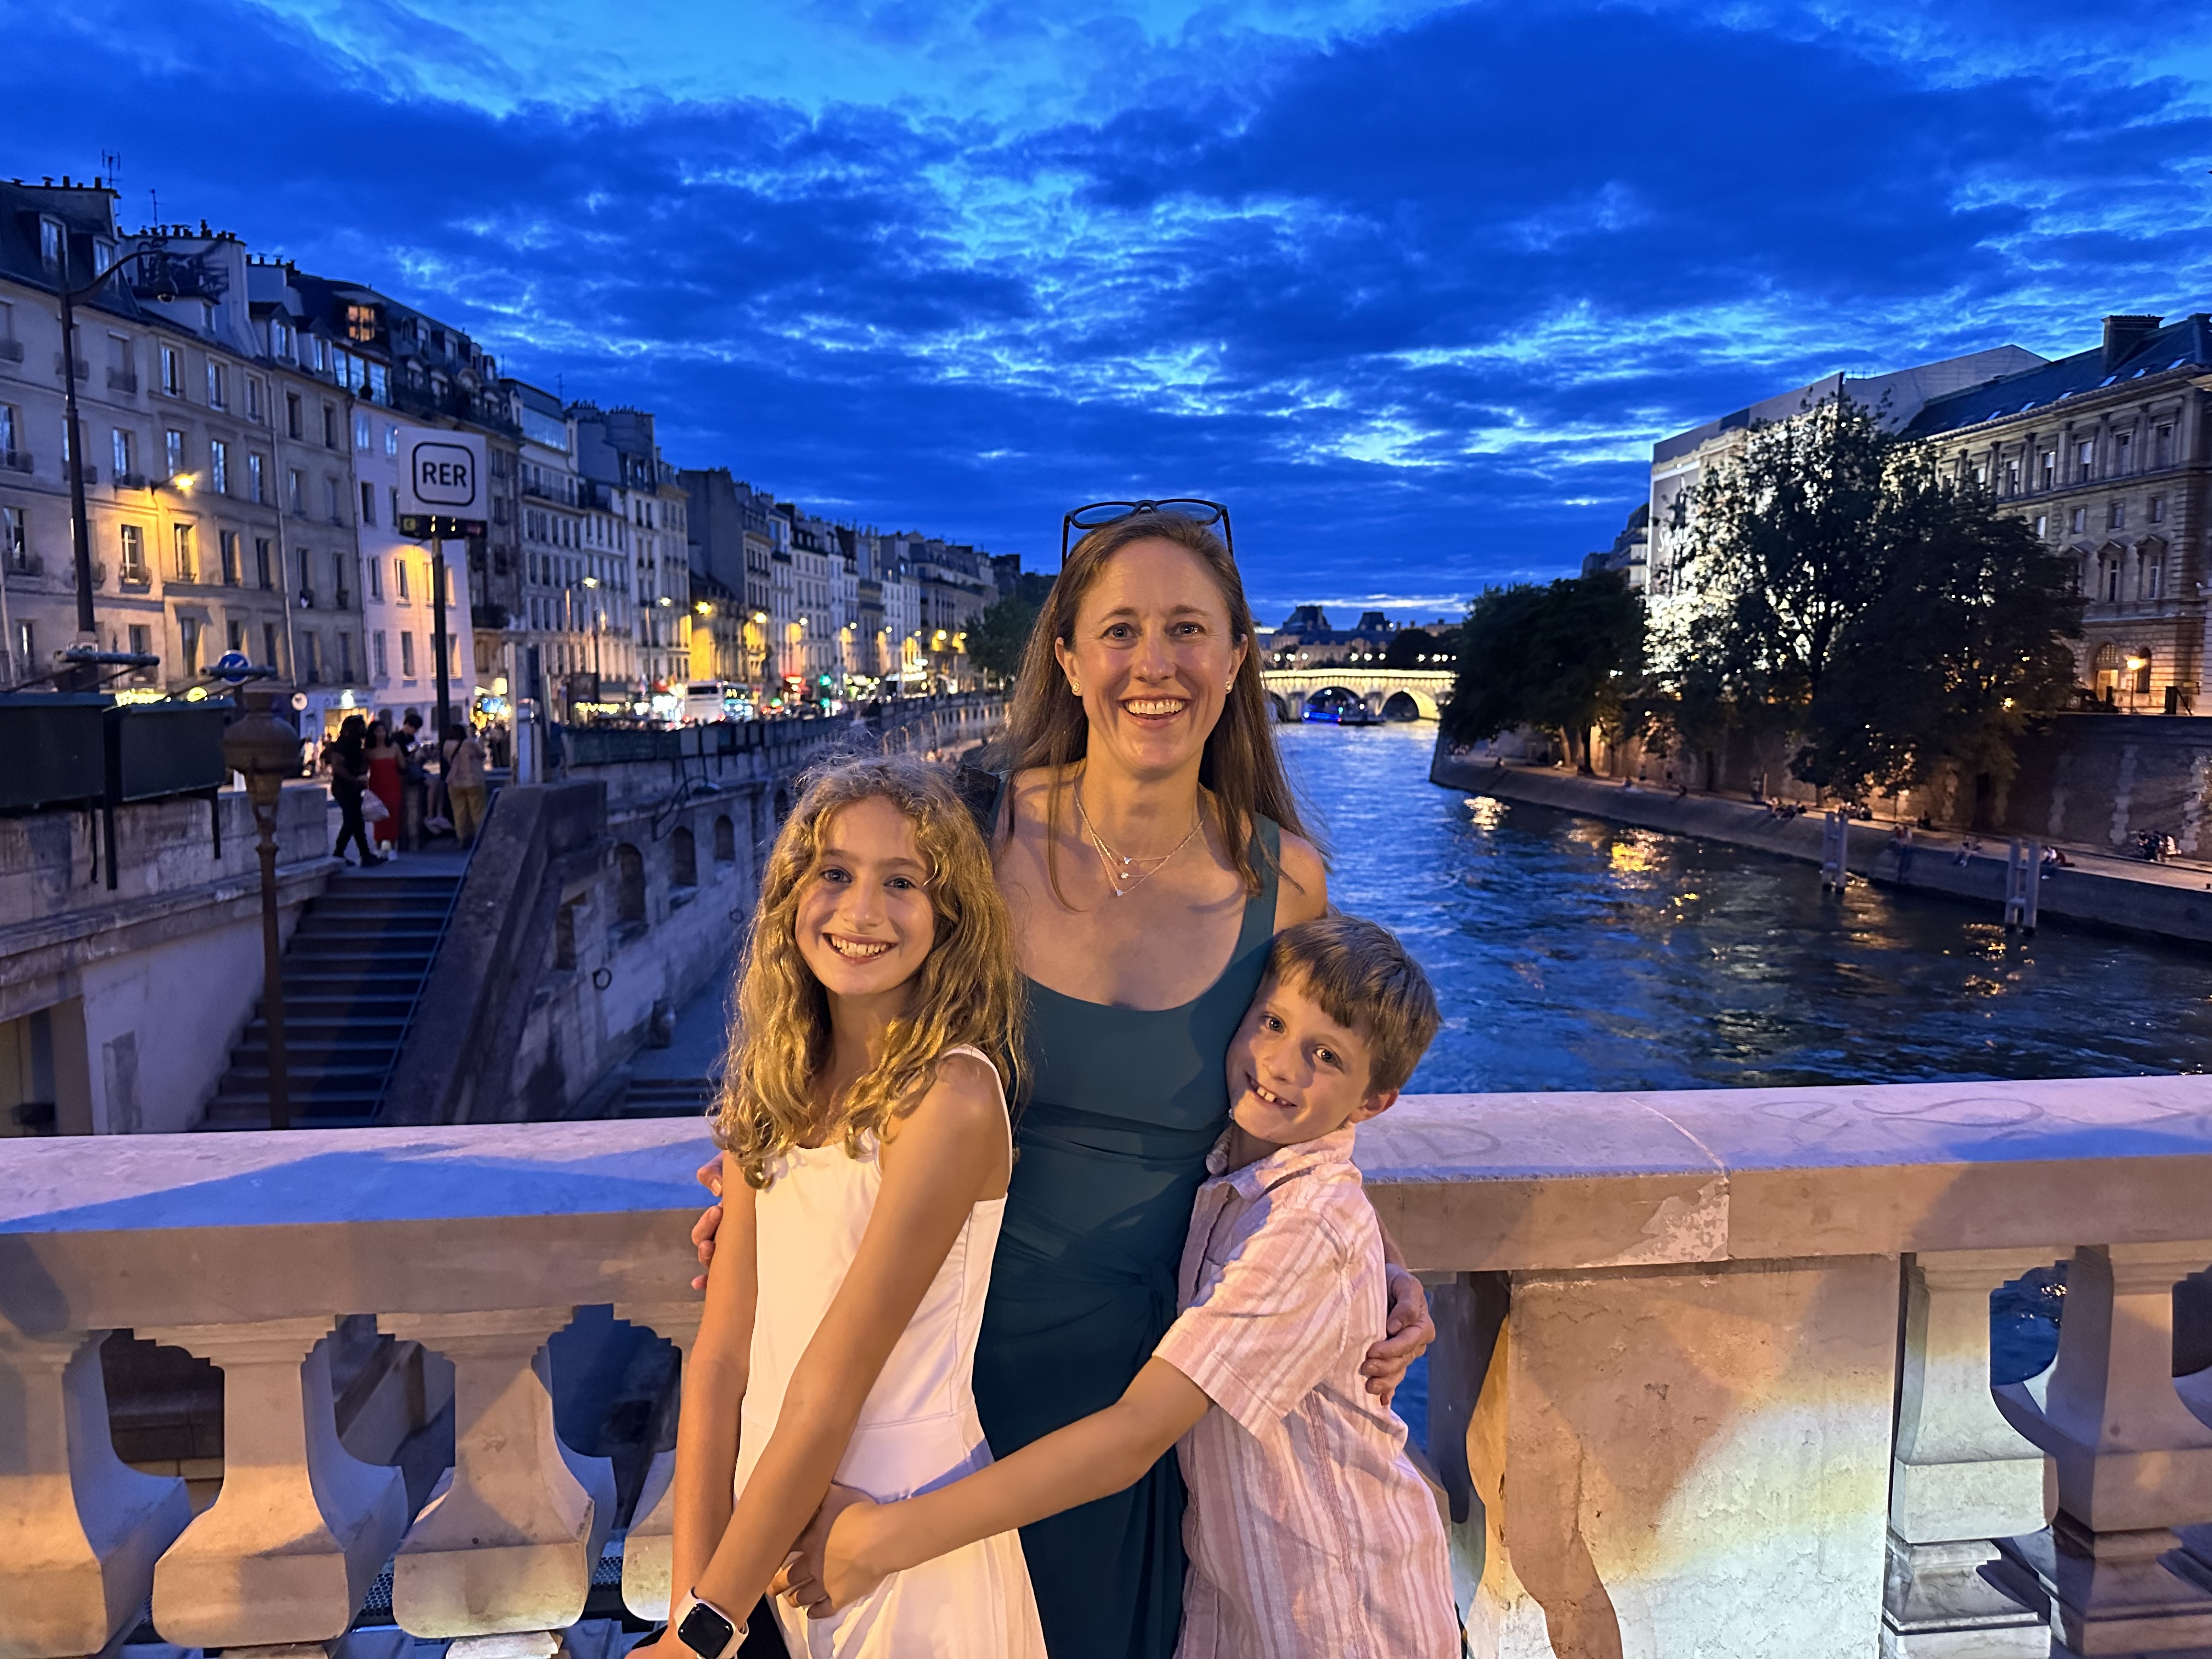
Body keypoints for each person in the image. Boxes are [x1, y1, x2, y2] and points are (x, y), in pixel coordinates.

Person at [691, 504, 1436, 1658]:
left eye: (1188, 629)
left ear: (1237, 659)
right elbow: (842, 1035)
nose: (1154, 663)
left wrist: (1369, 1264)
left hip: (1115, 1402)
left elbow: (1292, 1104)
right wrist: (777, 1190)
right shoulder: (974, 835)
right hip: (916, 1372)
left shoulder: (1284, 880)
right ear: (1070, 658)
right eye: (1121, 629)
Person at [782, 915, 1459, 1657]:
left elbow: (1137, 1434)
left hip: (1340, 1613)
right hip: (1248, 1605)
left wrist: (882, 1540)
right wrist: (787, 1183)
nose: (1279, 1064)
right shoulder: (1232, 1162)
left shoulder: (1305, 1230)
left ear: (1373, 1102)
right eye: (1272, 1023)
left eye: (1324, 1056)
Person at [640, 757, 1046, 1659]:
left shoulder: (949, 1097)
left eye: (902, 882)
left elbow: (832, 1385)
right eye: (834, 872)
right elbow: (721, 1359)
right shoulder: (772, 1085)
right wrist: (691, 1613)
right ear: (790, 894)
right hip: (765, 1556)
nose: (861, 911)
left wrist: (703, 1629)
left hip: (897, 1545)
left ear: (951, 917)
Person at [323, 716, 380, 868]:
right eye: (360, 727)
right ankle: (342, 853)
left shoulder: (355, 744)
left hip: (352, 787)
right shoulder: (342, 745)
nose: (363, 730)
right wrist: (354, 779)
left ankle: (360, 853)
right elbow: (338, 767)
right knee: (352, 821)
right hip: (344, 787)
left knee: (356, 821)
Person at [442, 722, 489, 849]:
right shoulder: (470, 743)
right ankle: (479, 837)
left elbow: (447, 758)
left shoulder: (447, 745)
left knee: (459, 812)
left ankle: (463, 838)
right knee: (477, 811)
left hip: (454, 782)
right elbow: (482, 755)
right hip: (473, 780)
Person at [364, 719, 403, 853]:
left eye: (383, 731)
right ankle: (379, 845)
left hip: (393, 785)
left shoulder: (394, 747)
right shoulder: (368, 751)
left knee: (393, 815)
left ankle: (393, 846)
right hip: (377, 786)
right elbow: (363, 769)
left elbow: (402, 765)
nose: (381, 734)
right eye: (377, 731)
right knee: (379, 815)